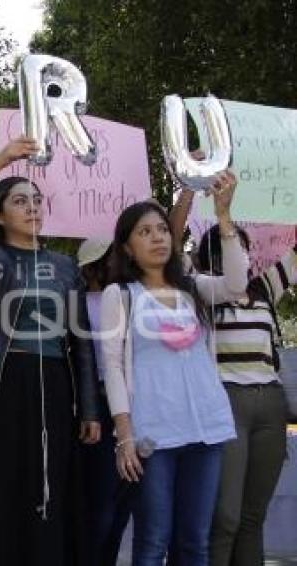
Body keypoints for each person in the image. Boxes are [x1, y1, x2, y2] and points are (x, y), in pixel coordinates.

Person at [0, 137, 100, 566]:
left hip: (54, 382)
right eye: (19, 201)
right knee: (3, 481)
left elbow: (82, 342)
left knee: (49, 480)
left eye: (37, 200)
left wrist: (88, 408)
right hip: (1, 385)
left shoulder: (66, 267)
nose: (32, 207)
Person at [101, 173, 247, 566]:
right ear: (128, 247)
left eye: (163, 229)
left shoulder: (193, 288)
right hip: (152, 435)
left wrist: (224, 217)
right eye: (145, 231)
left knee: (194, 543)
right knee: (152, 541)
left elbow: (236, 284)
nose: (158, 237)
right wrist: (124, 436)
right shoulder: (120, 296)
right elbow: (112, 368)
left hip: (205, 428)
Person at [169, 183, 296, 566]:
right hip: (225, 404)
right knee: (225, 516)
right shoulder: (199, 289)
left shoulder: (263, 290)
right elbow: (173, 243)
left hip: (270, 406)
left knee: (252, 517)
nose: (241, 251)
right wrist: (189, 188)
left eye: (243, 245)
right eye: (231, 244)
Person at [77, 238, 136, 566]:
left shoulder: (129, 298)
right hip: (96, 409)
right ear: (90, 267)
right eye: (108, 256)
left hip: (131, 405)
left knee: (124, 502)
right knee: (101, 503)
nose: (116, 261)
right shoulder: (77, 304)